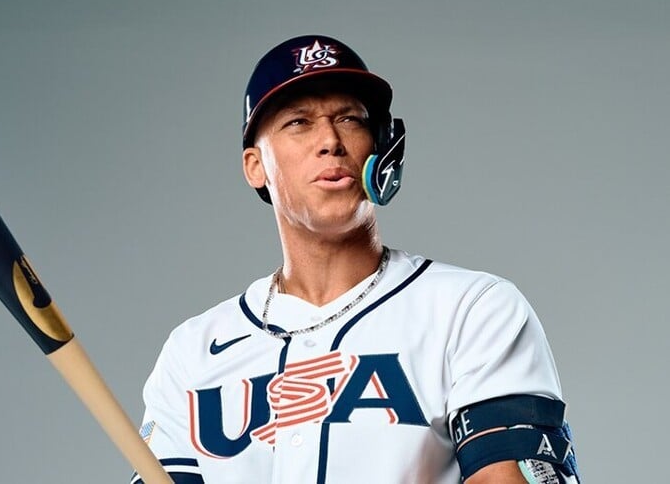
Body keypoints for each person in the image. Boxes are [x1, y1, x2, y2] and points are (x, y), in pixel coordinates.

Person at [131, 35, 580, 484]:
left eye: (349, 118)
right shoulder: (192, 353)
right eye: (298, 122)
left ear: (381, 147)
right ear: (255, 166)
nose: (330, 140)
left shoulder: (472, 310)